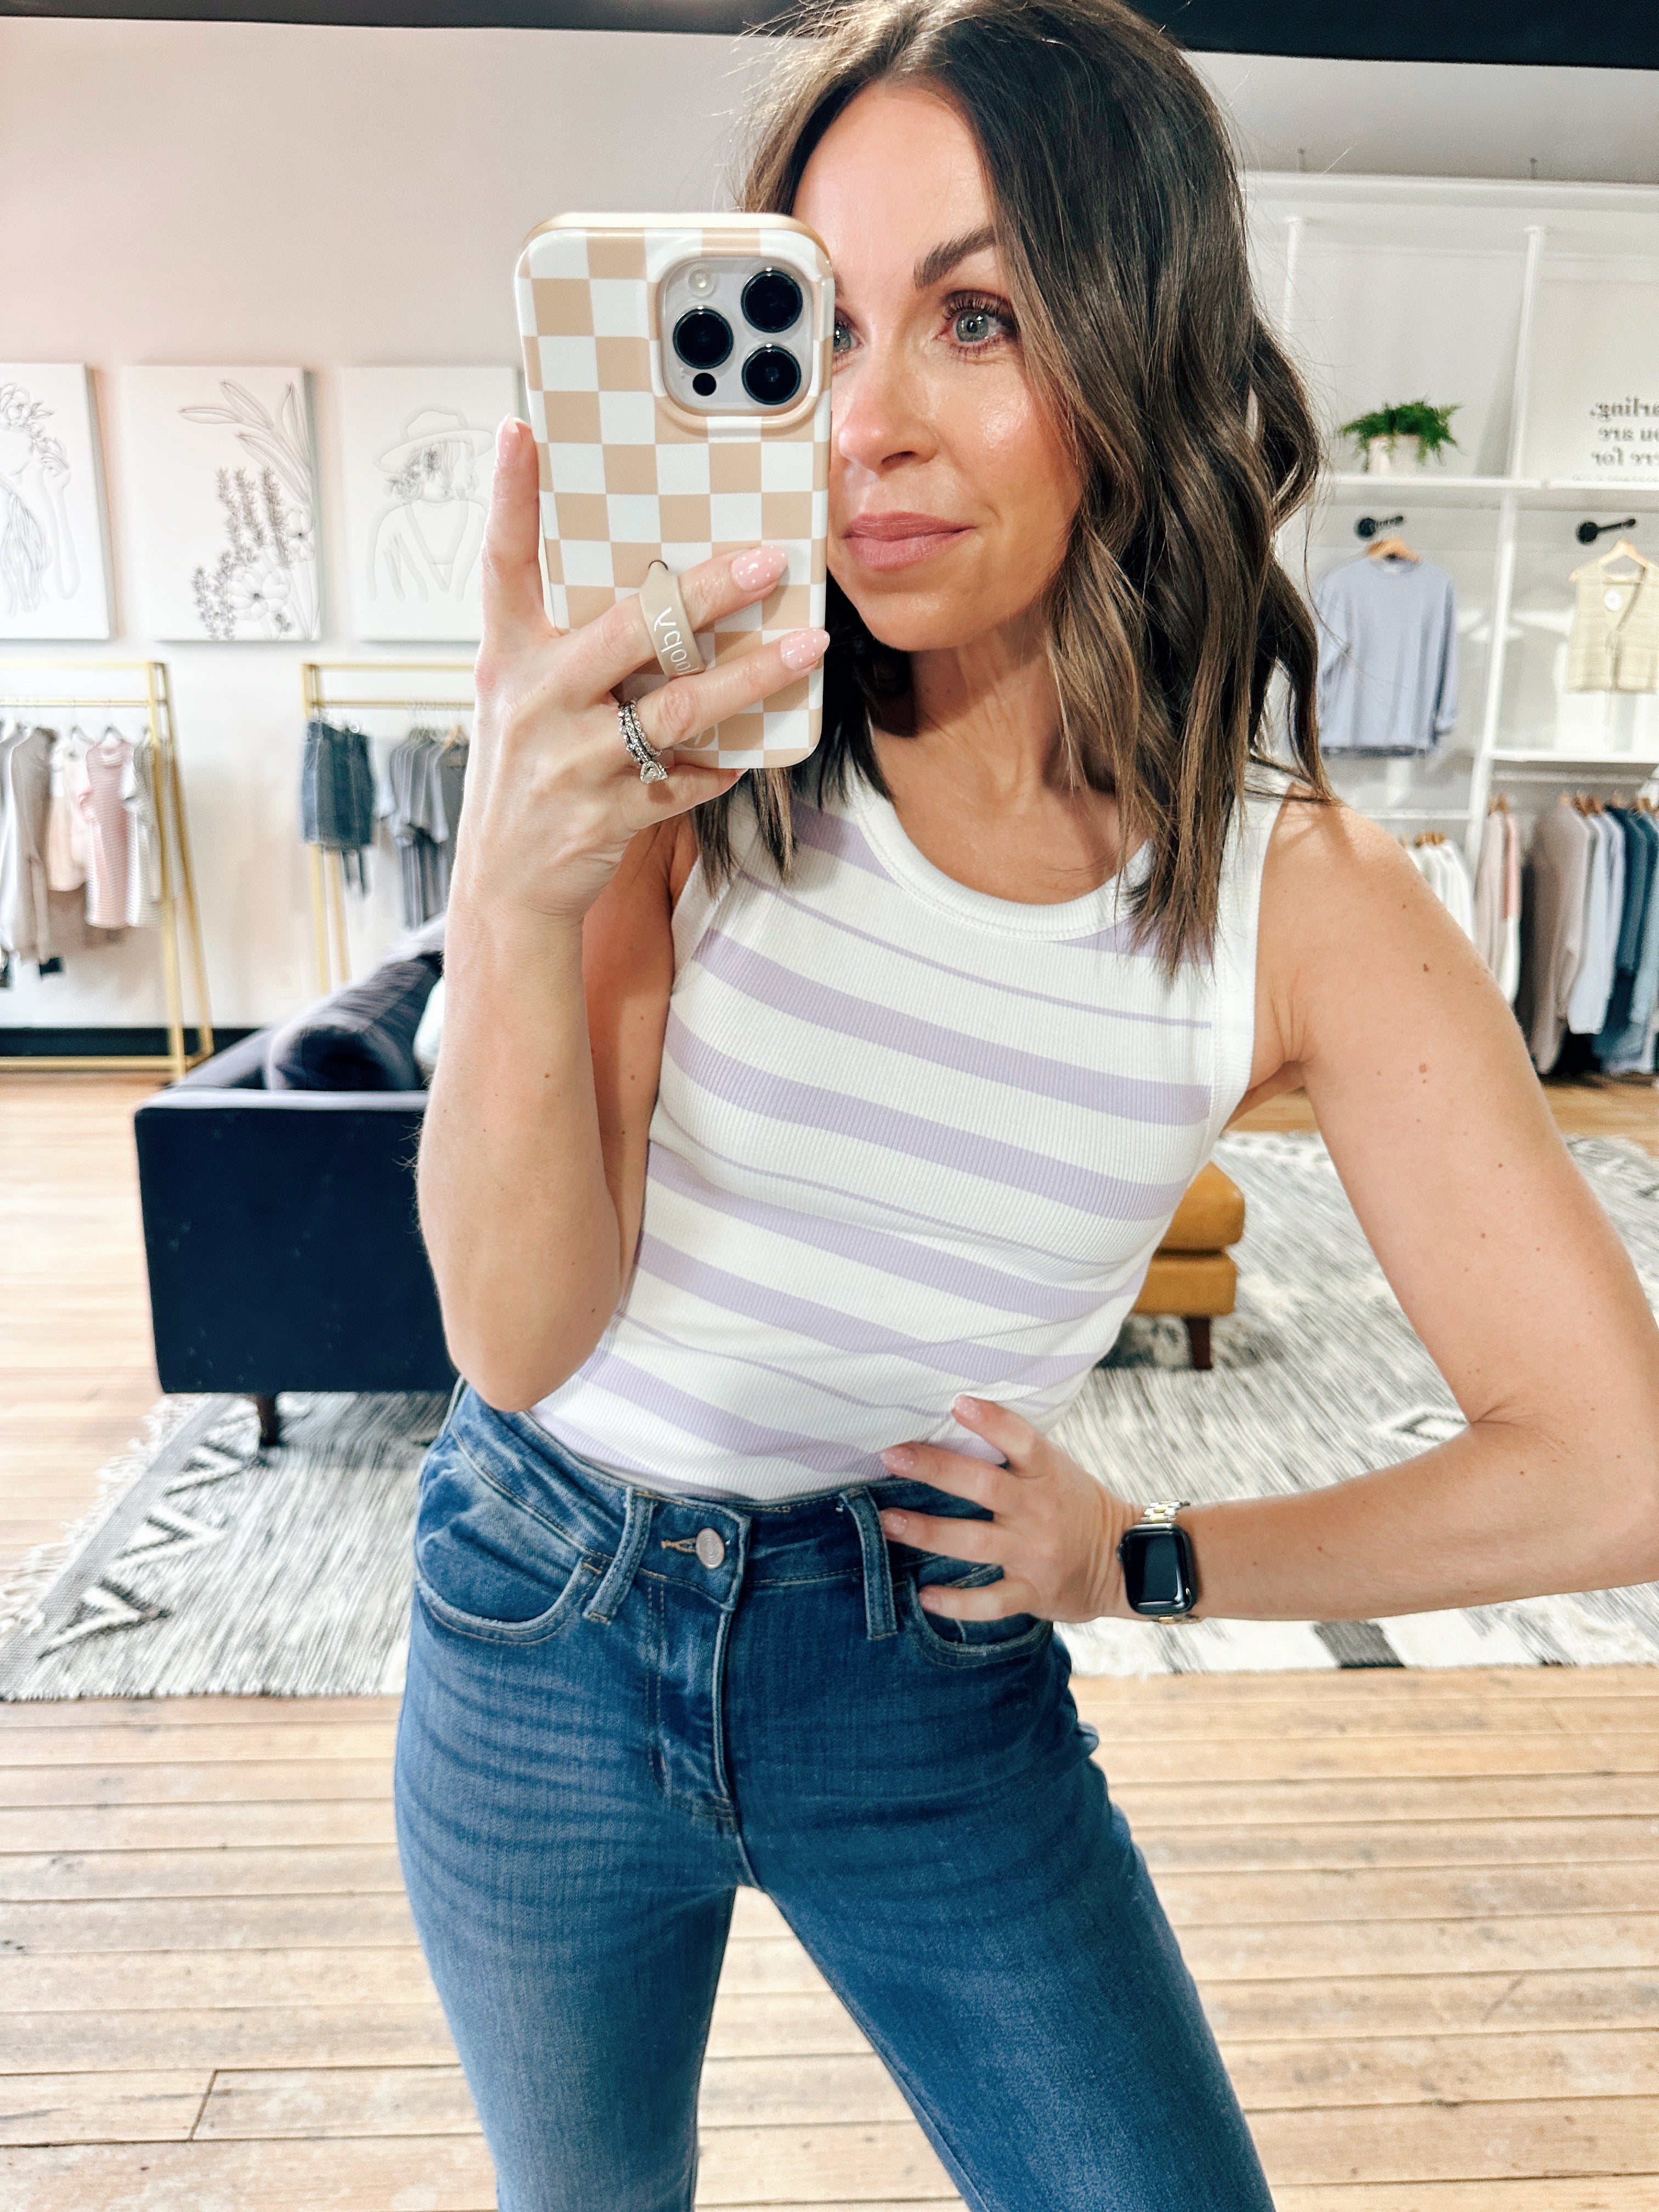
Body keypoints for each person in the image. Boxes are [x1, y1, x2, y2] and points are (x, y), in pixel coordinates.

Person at [394, 3, 1659, 2205]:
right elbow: (515, 1338)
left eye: (975, 319)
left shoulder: (1300, 904)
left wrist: (1152, 1555)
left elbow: (1614, 1464)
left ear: (1140, 347)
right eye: (818, 329)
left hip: (926, 1669)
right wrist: (513, 894)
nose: (865, 423)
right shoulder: (690, 768)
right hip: (540, 1621)